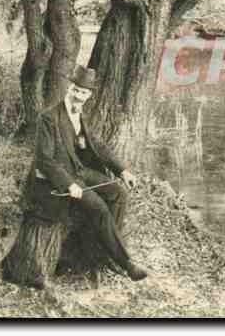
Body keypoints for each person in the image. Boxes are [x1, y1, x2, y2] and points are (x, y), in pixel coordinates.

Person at [23, 65, 148, 284]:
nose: (79, 96)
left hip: (80, 171)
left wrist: (123, 170)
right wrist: (68, 183)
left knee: (119, 193)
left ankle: (102, 252)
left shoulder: (80, 115)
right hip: (60, 180)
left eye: (84, 92)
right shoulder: (49, 118)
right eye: (76, 90)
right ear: (69, 89)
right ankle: (126, 263)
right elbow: (44, 159)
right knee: (99, 208)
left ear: (89, 95)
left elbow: (97, 145)